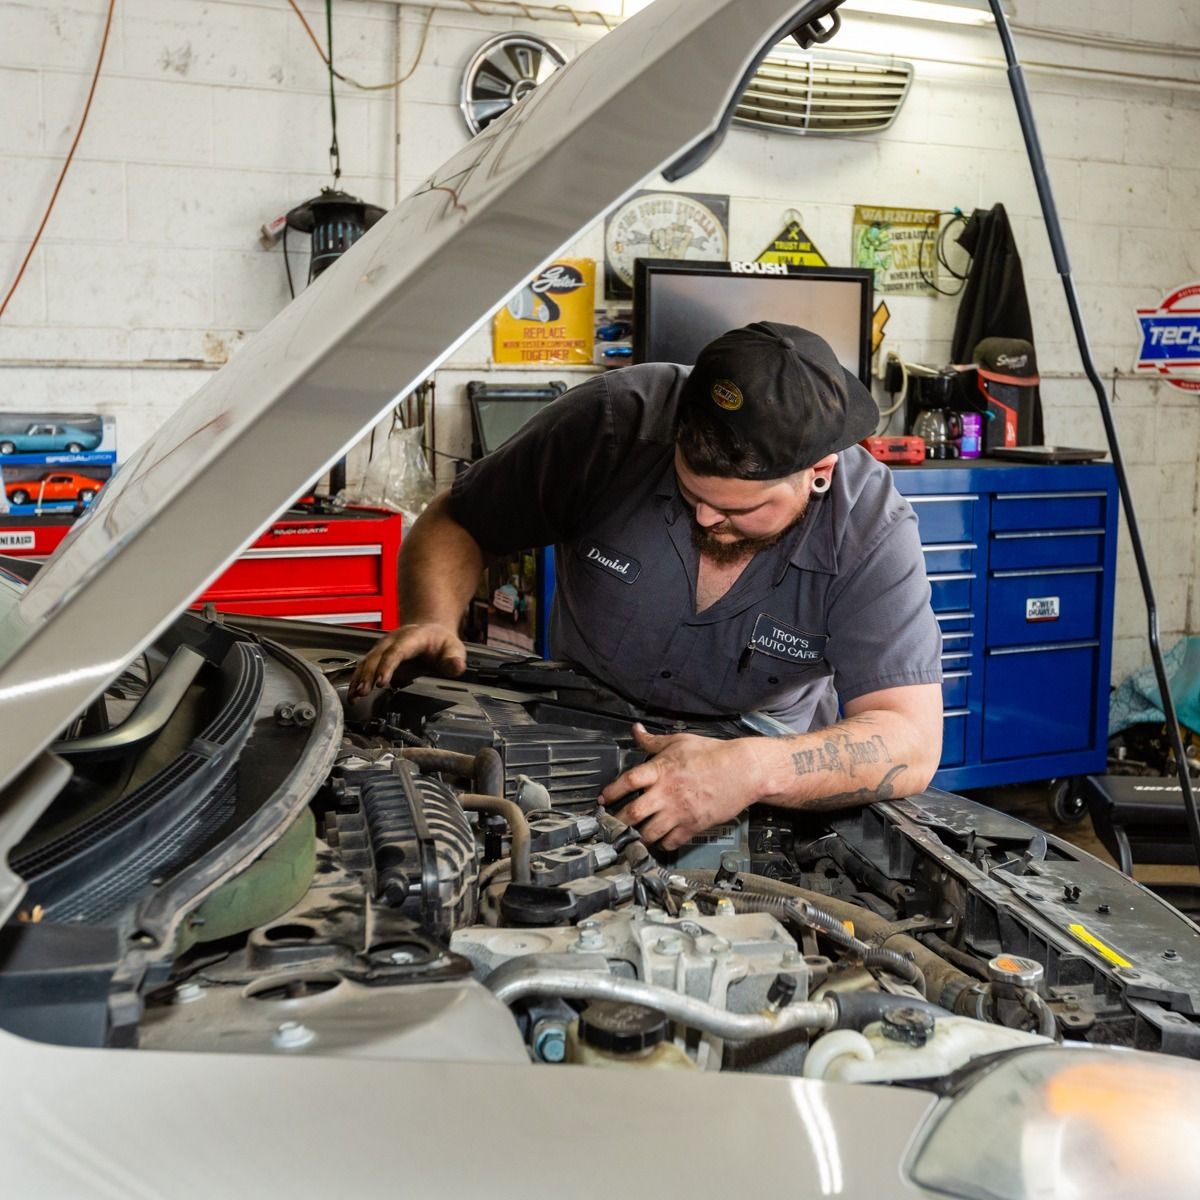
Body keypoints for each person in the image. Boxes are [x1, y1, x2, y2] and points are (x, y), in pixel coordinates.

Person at [350, 322, 943, 850]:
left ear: (819, 472)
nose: (708, 519)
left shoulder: (869, 529)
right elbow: (459, 520)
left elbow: (909, 738)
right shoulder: (612, 426)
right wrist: (432, 618)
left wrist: (752, 769)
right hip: (573, 733)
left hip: (758, 768)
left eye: (741, 510)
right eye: (693, 494)